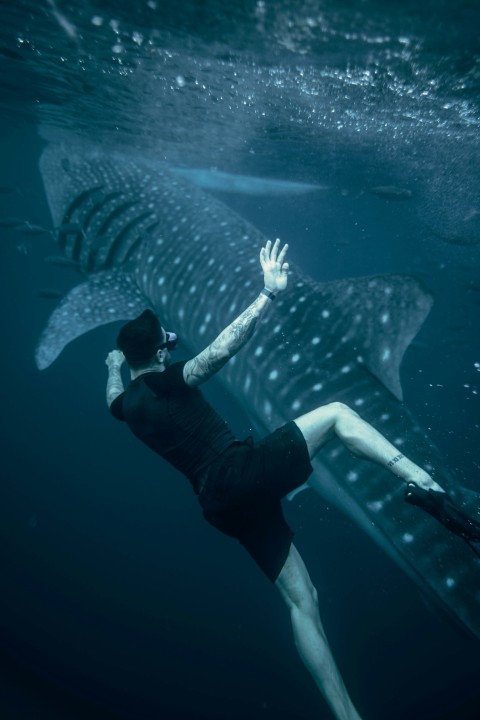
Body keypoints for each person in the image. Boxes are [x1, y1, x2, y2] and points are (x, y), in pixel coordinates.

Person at [105, 239, 480, 720]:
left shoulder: (126, 406)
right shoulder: (167, 380)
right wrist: (267, 294)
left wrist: (114, 366)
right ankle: (430, 491)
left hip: (219, 506)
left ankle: (346, 715)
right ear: (160, 353)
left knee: (303, 604)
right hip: (242, 469)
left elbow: (112, 396)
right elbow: (220, 350)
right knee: (340, 415)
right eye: (168, 341)